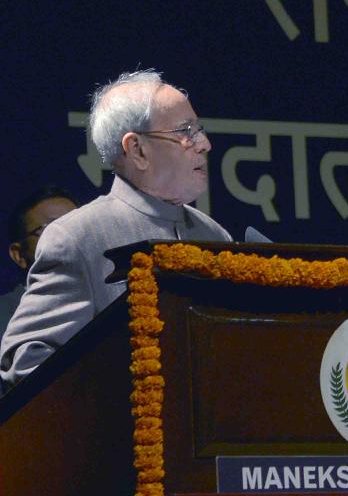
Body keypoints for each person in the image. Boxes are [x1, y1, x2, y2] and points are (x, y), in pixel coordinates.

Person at [0, 69, 232, 388]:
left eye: (199, 130)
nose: (204, 144)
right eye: (186, 131)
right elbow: (27, 361)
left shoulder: (214, 235)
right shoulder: (78, 237)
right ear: (137, 150)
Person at [0, 186, 79, 334]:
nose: (71, 236)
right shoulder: (5, 320)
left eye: (79, 224)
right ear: (19, 255)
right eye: (53, 229)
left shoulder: (116, 294)